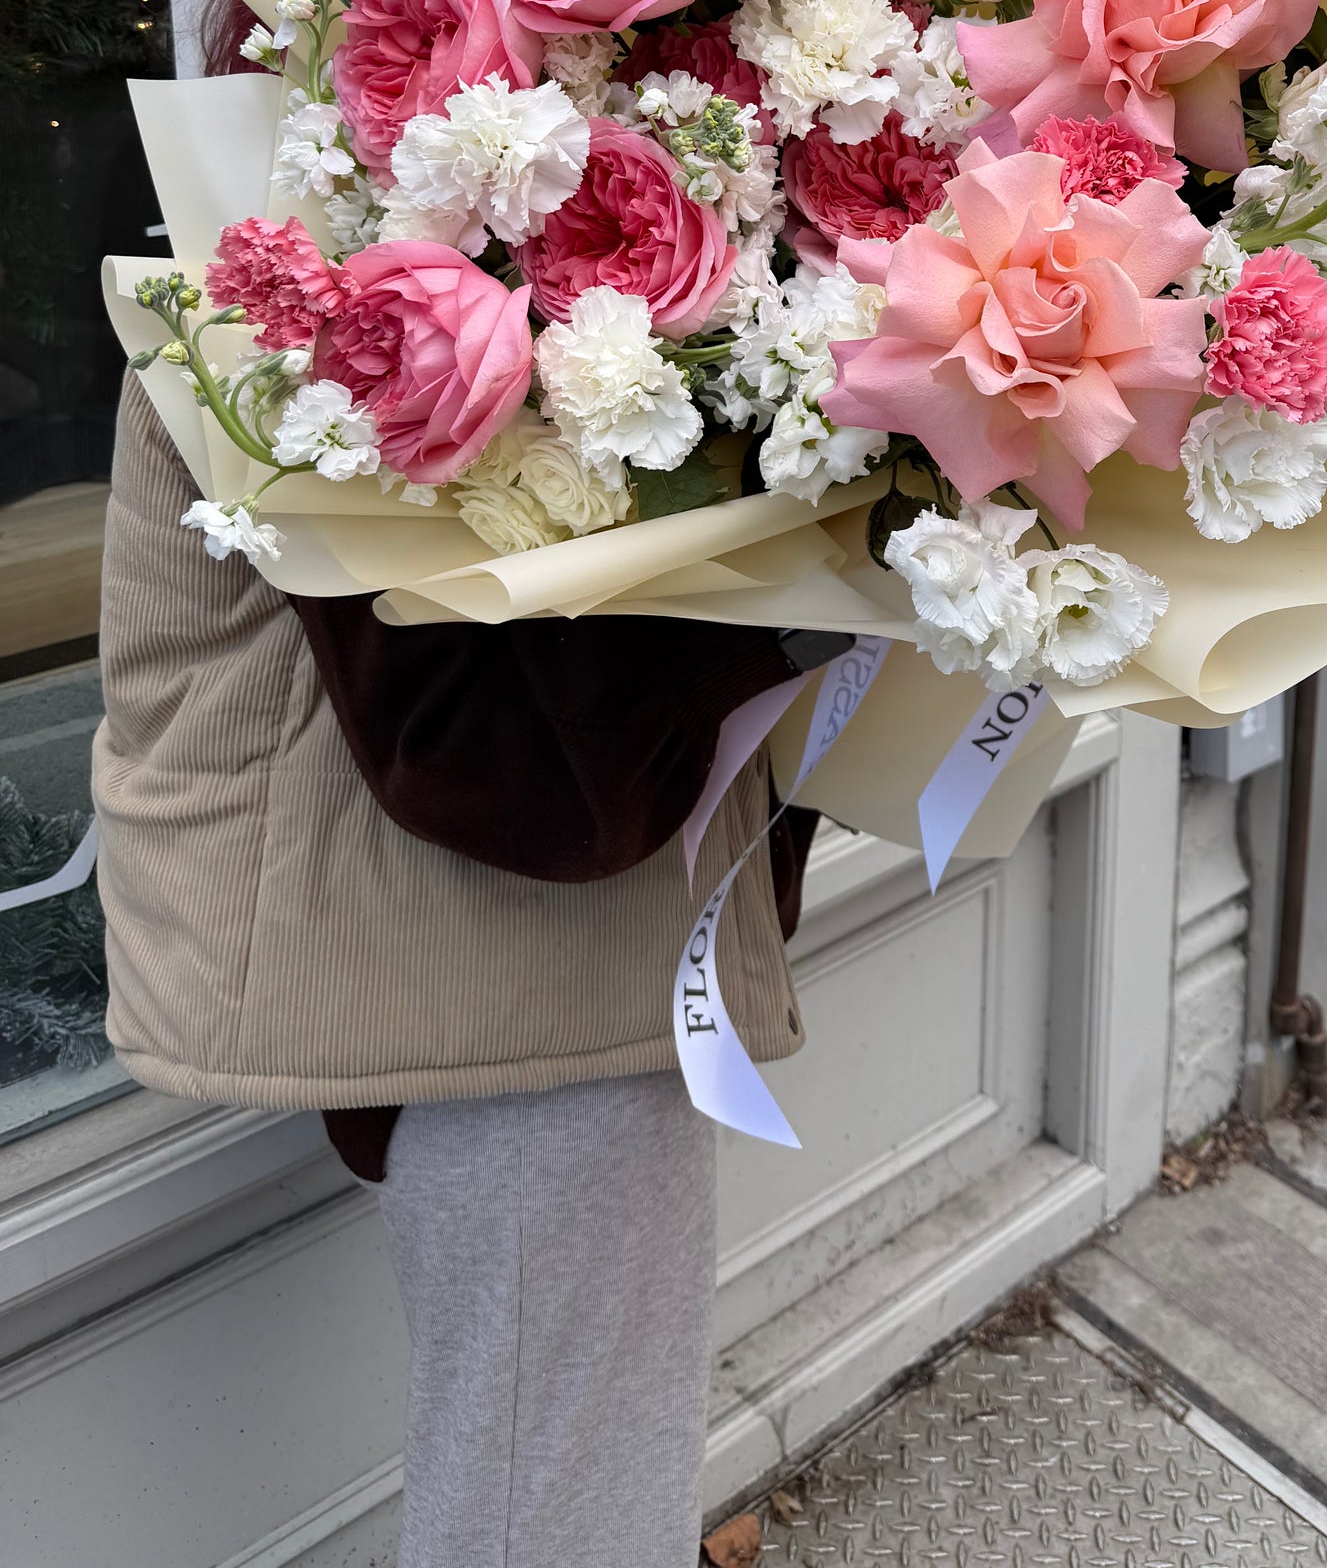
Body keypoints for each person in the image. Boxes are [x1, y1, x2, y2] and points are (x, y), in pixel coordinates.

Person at [96, 365, 830, 1567]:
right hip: (513, 988)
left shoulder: (319, 291)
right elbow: (510, 767)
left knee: (557, 1482)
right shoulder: (332, 302)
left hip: (529, 975)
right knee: (553, 1511)